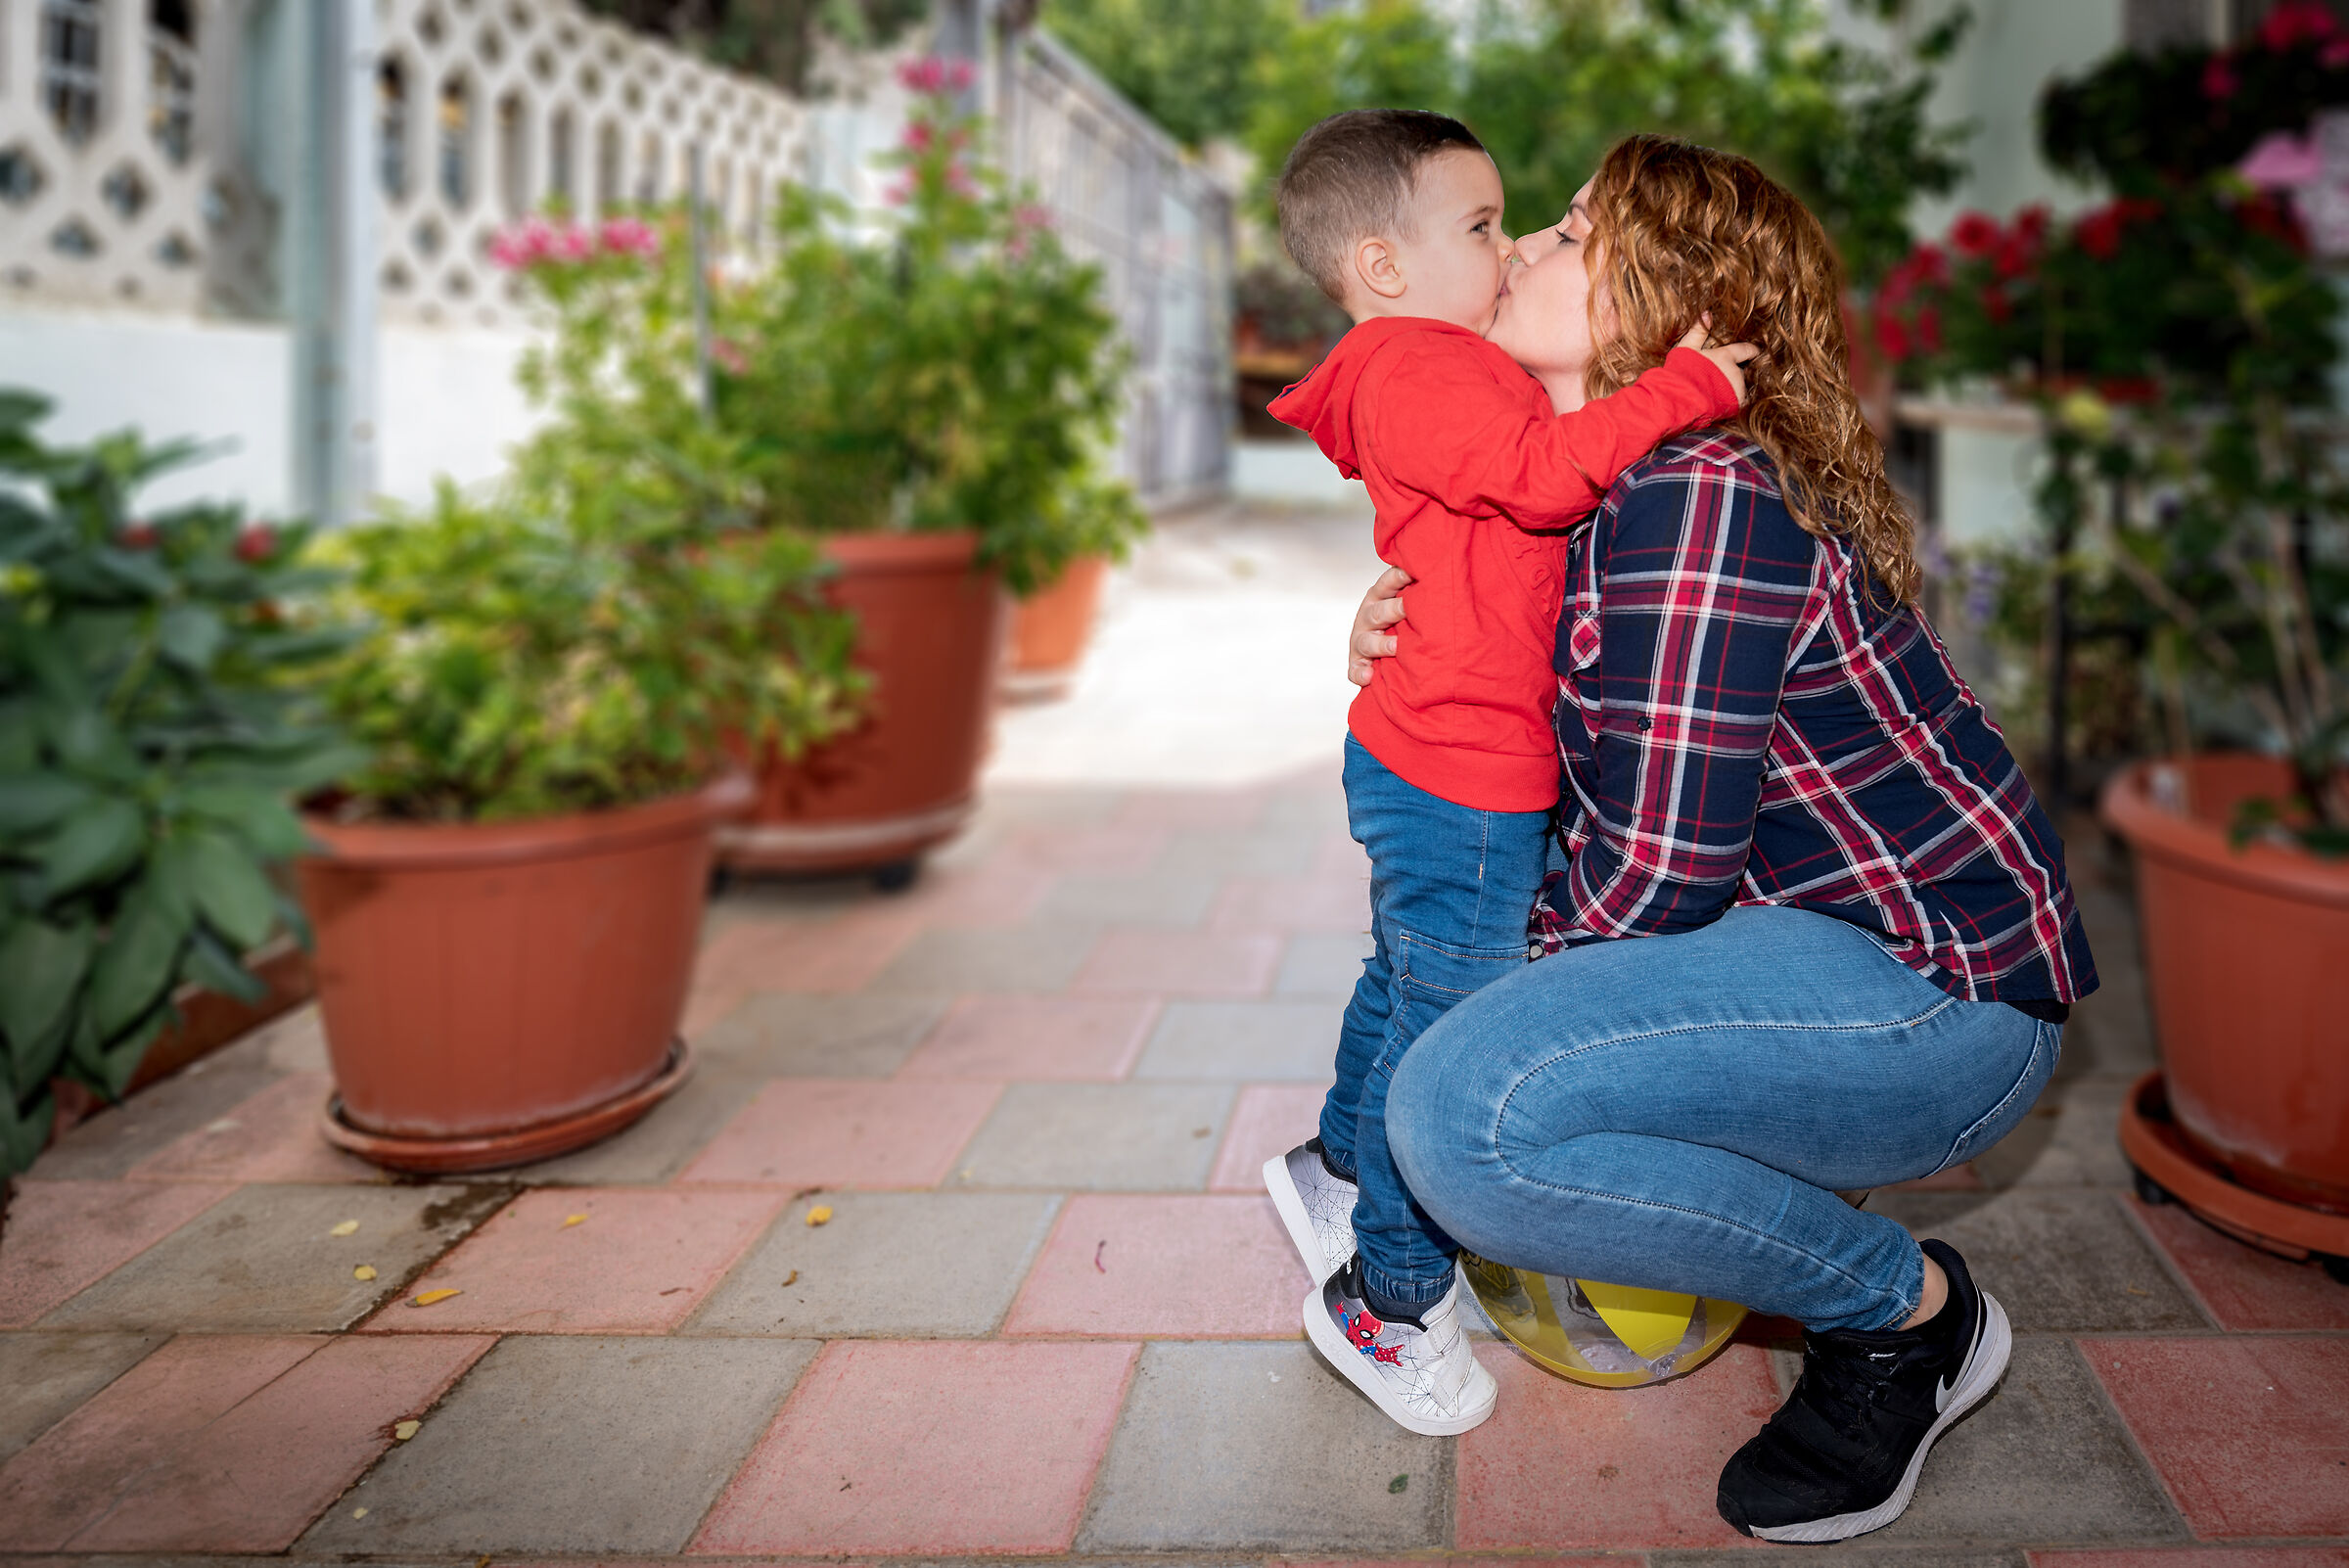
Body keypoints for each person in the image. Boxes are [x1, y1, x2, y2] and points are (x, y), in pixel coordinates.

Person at [1349, 133, 2097, 1542]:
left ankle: (1908, 1318)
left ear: (1677, 313)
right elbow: (1517, 772)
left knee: (1462, 1112)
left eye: (1569, 236)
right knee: (1453, 958)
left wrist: (1469, 1002)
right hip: (1810, 948)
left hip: (1938, 993)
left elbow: (1656, 872)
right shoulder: (1585, 492)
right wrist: (1389, 630)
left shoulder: (1699, 490)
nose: (1514, 252)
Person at [1254, 108, 1759, 1438]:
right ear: (1381, 265)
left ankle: (1334, 1169)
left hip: (1438, 753)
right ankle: (1389, 1296)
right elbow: (1540, 482)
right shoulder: (1418, 367)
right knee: (1451, 1035)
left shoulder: (1428, 359)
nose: (1517, 240)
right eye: (1485, 227)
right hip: (1464, 774)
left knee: (1407, 977)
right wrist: (1686, 387)